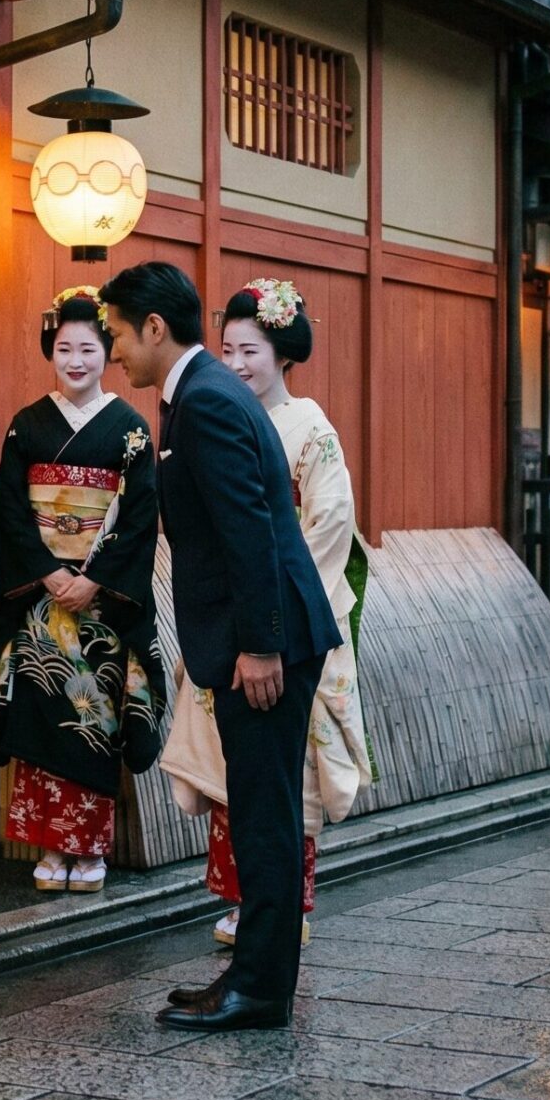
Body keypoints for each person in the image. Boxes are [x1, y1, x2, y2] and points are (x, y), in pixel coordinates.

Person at [97, 261, 339, 1032]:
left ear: (154, 329)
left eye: (117, 336)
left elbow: (251, 529)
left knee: (266, 816)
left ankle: (261, 990)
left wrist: (262, 647)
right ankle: (249, 976)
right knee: (258, 811)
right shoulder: (199, 394)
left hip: (264, 643)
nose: (113, 354)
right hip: (250, 637)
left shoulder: (203, 400)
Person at [156, 279, 375, 949]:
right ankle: (238, 894)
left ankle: (282, 904)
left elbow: (330, 523)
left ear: (283, 354)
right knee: (233, 767)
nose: (238, 363)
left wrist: (271, 621)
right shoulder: (216, 410)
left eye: (251, 350)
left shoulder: (309, 426)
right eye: (227, 350)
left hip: (277, 625)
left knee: (286, 774)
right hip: (233, 618)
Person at [0, 286, 172, 895]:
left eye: (89, 348)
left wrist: (94, 579)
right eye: (64, 348)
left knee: (94, 720)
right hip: (41, 598)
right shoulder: (26, 426)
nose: (76, 360)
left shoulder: (131, 431)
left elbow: (141, 518)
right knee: (40, 711)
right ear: (50, 351)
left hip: (100, 605)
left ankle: (89, 850)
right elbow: (10, 509)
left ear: (106, 353)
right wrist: (47, 570)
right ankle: (47, 845)